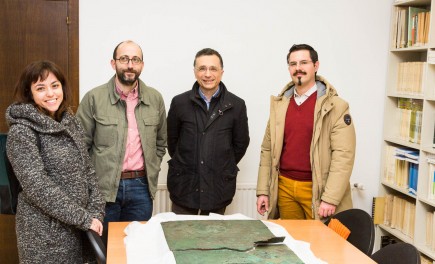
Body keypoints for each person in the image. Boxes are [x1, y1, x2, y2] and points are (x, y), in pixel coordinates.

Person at [6, 60, 105, 263]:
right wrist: (84, 219)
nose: (50, 94)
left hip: (80, 228)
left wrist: (96, 212)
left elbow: (88, 171)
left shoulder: (70, 121)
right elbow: (37, 186)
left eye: (55, 85)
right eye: (40, 88)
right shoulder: (21, 131)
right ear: (29, 93)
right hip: (45, 236)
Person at [76, 40, 167, 242]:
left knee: (137, 247)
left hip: (141, 188)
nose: (129, 65)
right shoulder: (94, 98)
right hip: (103, 189)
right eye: (124, 59)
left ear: (142, 64)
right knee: (103, 248)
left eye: (135, 59)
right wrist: (90, 186)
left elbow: (161, 143)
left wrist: (152, 167)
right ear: (113, 63)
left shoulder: (155, 99)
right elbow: (80, 147)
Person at [256, 44, 356, 220]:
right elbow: (267, 150)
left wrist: (330, 198)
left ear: (315, 66)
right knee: (292, 242)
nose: (298, 68)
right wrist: (263, 191)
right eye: (293, 64)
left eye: (303, 62)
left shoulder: (336, 106)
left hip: (317, 189)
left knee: (321, 245)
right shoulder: (280, 105)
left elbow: (343, 156)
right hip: (284, 188)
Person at [167, 48, 250, 215]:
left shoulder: (236, 105)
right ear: (195, 72)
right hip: (184, 186)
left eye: (213, 69)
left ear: (221, 72)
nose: (207, 74)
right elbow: (172, 142)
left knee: (212, 239)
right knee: (180, 238)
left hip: (217, 188)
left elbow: (240, 144)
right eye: (202, 68)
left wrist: (221, 165)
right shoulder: (179, 103)